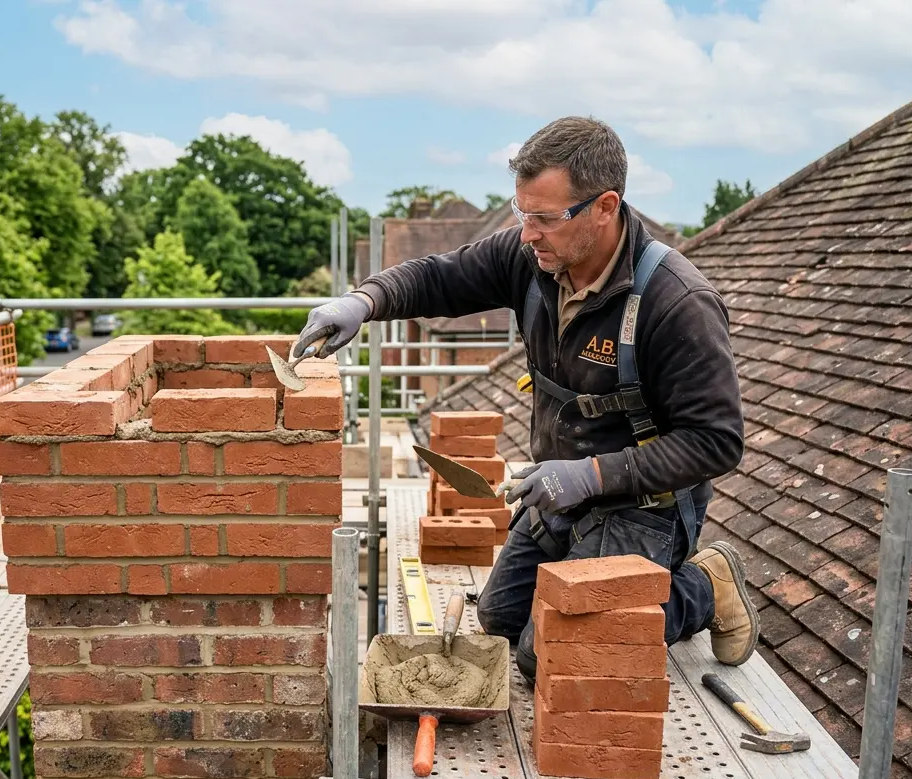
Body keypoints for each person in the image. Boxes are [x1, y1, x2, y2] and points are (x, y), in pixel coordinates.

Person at [295, 116, 758, 680]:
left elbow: (717, 442)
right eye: (522, 214)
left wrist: (591, 474)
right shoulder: (533, 260)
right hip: (563, 496)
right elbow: (438, 278)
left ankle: (703, 586)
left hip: (644, 507)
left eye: (544, 218)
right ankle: (580, 576)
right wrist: (364, 303)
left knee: (552, 657)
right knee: (496, 624)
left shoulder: (676, 302)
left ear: (605, 206)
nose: (527, 234)